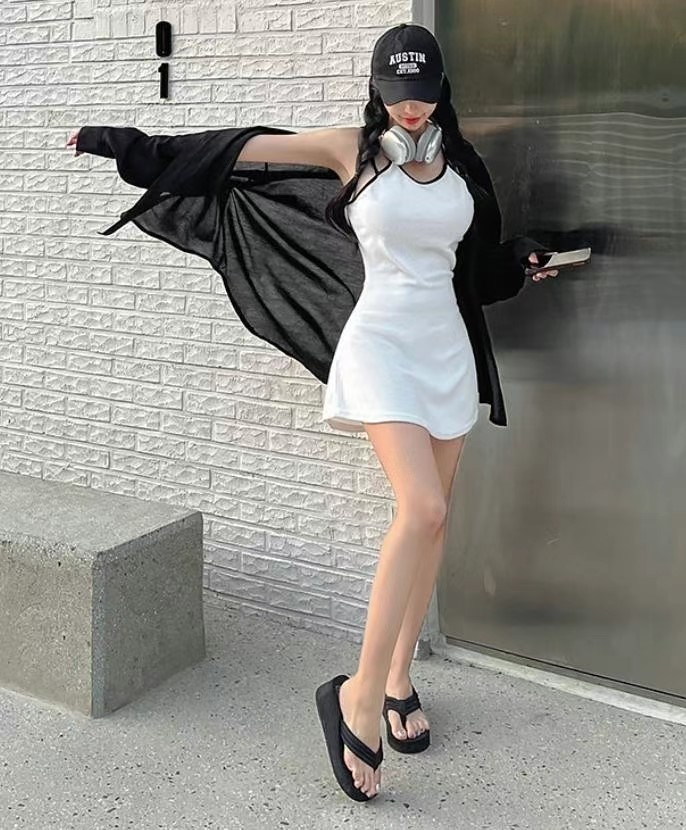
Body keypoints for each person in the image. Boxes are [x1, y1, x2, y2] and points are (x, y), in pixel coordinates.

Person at [67, 21, 558, 804]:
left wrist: (521, 263)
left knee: (434, 523)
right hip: (382, 346)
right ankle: (357, 694)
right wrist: (128, 145)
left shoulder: (463, 165)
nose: (410, 109)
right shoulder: (348, 150)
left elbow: (473, 271)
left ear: (441, 92)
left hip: (447, 353)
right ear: (377, 91)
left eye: (422, 95)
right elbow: (234, 151)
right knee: (422, 508)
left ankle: (398, 680)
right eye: (396, 96)